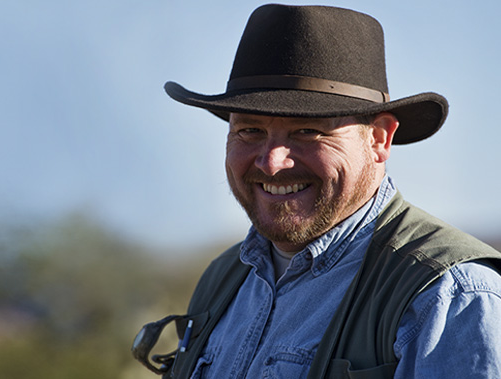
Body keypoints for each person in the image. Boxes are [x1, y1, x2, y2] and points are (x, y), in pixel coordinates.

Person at [134, 4, 501, 378]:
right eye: (249, 130)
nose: (272, 163)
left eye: (307, 131)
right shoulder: (224, 278)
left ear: (379, 138)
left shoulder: (450, 296)